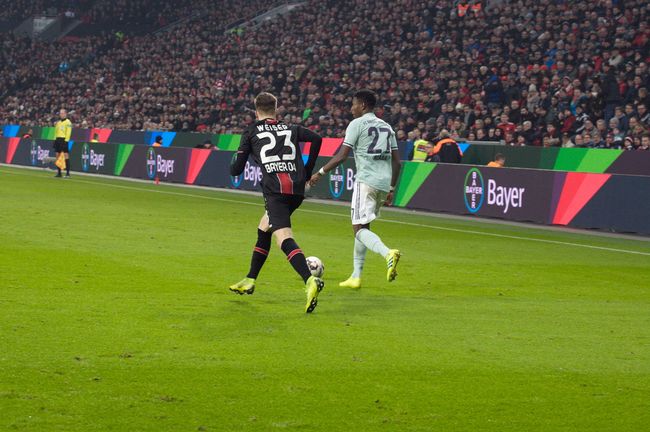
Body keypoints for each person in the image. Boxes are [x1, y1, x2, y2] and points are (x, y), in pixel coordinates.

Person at [229, 92, 324, 313]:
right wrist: (307, 169)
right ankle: (250, 279)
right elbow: (317, 139)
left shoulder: (251, 131)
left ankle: (310, 280)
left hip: (276, 191)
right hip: (297, 189)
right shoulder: (291, 128)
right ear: (276, 108)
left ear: (256, 110)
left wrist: (237, 157)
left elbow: (236, 170)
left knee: (283, 237)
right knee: (264, 227)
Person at [309, 89, 401, 289]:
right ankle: (356, 276)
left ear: (363, 106)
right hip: (384, 183)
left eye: (354, 104)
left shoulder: (357, 124)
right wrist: (392, 189)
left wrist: (320, 173)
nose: (351, 108)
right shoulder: (387, 127)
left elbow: (342, 156)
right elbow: (397, 162)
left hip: (366, 181)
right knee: (364, 226)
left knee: (358, 229)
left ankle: (388, 253)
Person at [53, 109, 72, 177]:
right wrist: (54, 140)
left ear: (65, 114)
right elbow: (56, 131)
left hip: (64, 139)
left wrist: (66, 141)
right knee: (57, 156)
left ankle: (68, 173)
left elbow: (68, 132)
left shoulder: (68, 122)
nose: (61, 114)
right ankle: (59, 173)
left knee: (66, 155)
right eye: (60, 113)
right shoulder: (58, 122)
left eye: (62, 113)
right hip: (58, 139)